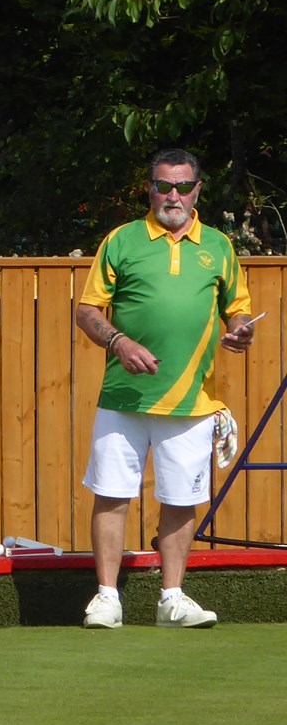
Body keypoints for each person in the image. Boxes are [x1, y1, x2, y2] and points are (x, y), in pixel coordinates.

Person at [74, 148, 255, 630]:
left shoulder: (218, 245)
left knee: (180, 499)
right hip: (124, 395)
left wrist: (240, 329)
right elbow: (88, 310)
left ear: (198, 191)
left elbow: (237, 307)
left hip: (193, 399)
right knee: (111, 494)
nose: (171, 195)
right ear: (149, 189)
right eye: (162, 185)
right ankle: (107, 597)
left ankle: (171, 598)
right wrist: (118, 341)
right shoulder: (121, 239)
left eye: (182, 186)